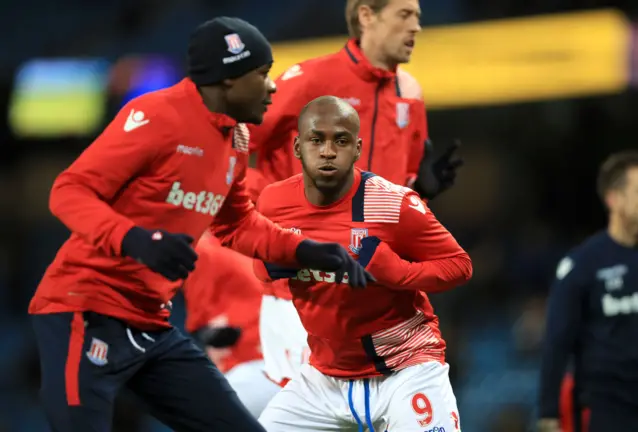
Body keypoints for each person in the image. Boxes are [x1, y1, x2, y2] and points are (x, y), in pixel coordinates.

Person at [28, 18, 371, 432]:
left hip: (152, 324)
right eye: (261, 75)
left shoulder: (236, 139)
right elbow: (69, 190)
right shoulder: (156, 115)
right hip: (82, 310)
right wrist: (135, 239)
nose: (272, 87)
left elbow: (238, 224)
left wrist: (306, 250)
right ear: (227, 80)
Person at [252, 0, 463, 393]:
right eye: (404, 14)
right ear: (367, 16)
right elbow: (241, 141)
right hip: (304, 293)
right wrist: (264, 217)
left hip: (380, 298)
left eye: (417, 15)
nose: (416, 26)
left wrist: (420, 191)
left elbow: (397, 197)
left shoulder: (410, 93)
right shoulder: (310, 79)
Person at [254, 96, 472, 431]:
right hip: (324, 379)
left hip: (404, 369)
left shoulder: (392, 203)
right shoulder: (274, 203)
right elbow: (261, 267)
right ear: (297, 147)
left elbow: (459, 265)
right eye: (317, 140)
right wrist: (284, 262)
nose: (328, 151)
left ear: (357, 149)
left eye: (340, 140)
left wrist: (399, 274)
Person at [537, 151, 638, 432]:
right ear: (613, 198)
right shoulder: (583, 265)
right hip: (608, 409)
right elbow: (557, 342)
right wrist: (548, 413)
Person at [183, 231, 281, 418]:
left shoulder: (202, 249)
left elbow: (206, 327)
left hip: (249, 368)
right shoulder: (248, 243)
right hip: (285, 368)